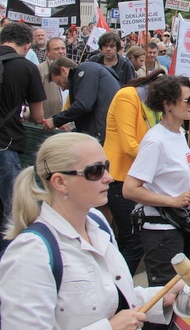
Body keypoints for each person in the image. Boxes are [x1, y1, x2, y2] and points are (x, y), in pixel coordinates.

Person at [0, 133, 179, 328]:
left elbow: (111, 297)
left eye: (107, 167)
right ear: (60, 182)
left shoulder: (97, 221)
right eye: (95, 171)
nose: (109, 178)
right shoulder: (31, 252)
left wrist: (162, 296)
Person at [123, 75, 190, 316]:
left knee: (180, 299)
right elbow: (130, 189)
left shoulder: (178, 133)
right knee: (164, 302)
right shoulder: (156, 141)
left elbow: (175, 179)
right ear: (168, 104)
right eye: (187, 99)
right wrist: (173, 201)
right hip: (161, 235)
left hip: (180, 226)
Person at [103, 70, 164, 274]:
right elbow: (130, 146)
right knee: (134, 240)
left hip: (138, 179)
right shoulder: (127, 96)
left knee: (131, 239)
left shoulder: (153, 106)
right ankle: (120, 288)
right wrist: (164, 164)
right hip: (120, 178)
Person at [0, 22, 46, 251]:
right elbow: (38, 115)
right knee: (13, 210)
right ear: (27, 45)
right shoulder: (27, 67)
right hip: (6, 145)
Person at [44, 57, 120, 142]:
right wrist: (72, 131)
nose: (62, 89)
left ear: (63, 70)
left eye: (59, 82)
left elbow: (83, 105)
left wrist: (56, 121)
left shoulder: (86, 70)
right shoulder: (89, 72)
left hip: (106, 136)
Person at [37, 37, 67, 119]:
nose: (61, 51)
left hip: (68, 120)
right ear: (48, 52)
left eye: (63, 48)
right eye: (57, 49)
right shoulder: (40, 69)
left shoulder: (72, 67)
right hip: (48, 119)